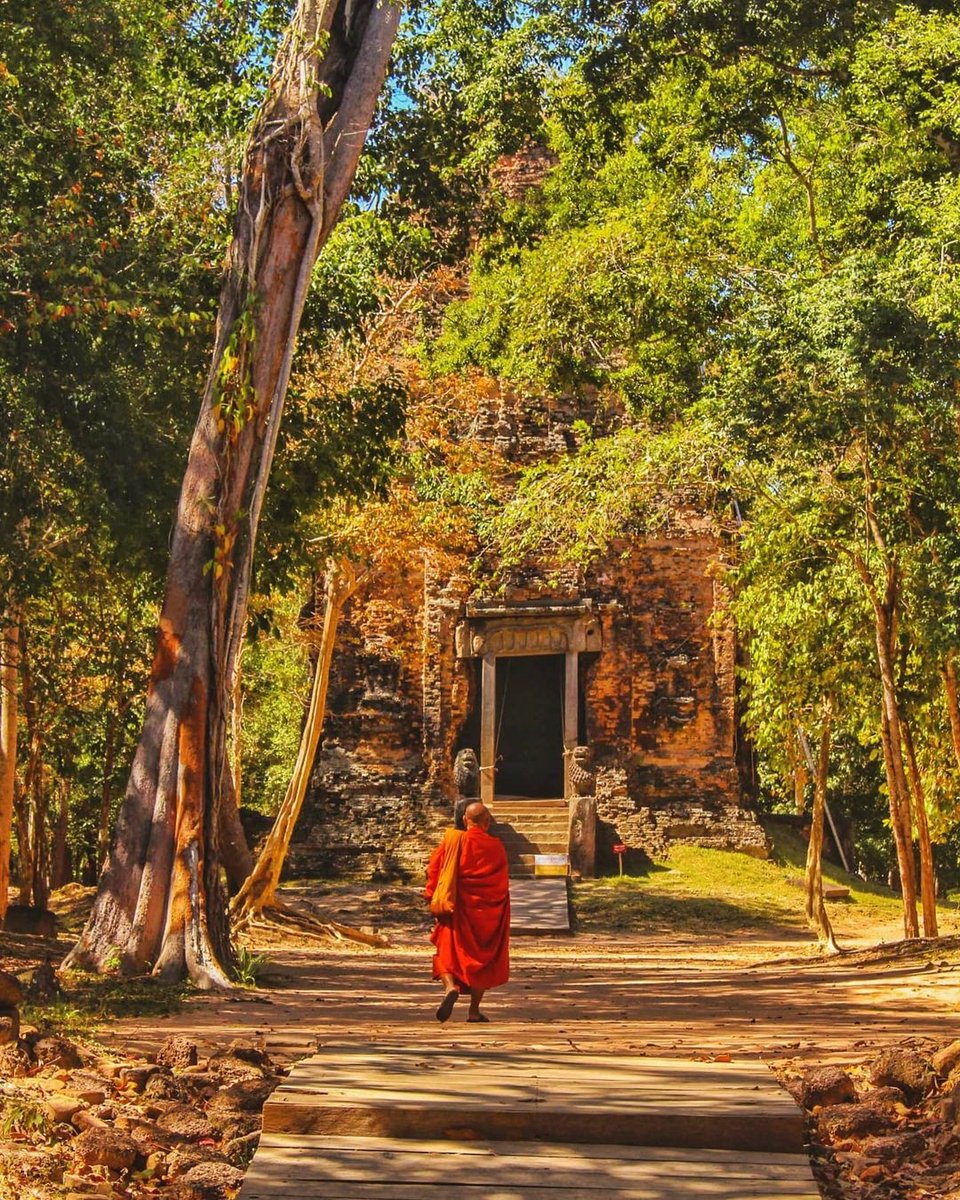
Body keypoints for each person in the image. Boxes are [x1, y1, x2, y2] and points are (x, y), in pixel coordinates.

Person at [424, 800, 510, 1023]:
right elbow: (502, 884)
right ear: (487, 822)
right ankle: (474, 1011)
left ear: (464, 820)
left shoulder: (453, 841)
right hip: (488, 914)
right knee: (483, 959)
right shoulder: (496, 847)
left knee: (445, 951)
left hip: (457, 910)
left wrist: (433, 896)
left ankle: (450, 987)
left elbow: (434, 869)